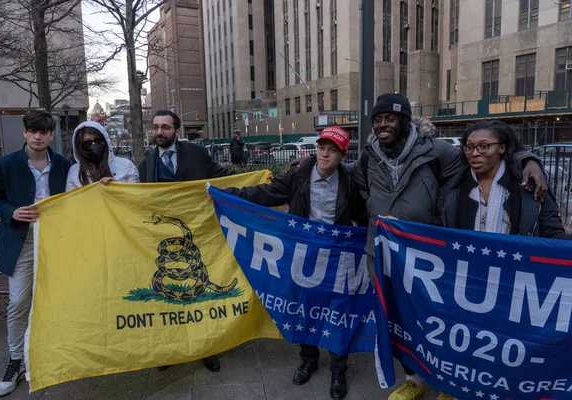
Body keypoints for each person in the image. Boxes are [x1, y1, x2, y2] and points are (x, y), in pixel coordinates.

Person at [345, 93, 547, 400]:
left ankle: (448, 382)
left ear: (405, 121)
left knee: (437, 320)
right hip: (383, 254)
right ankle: (412, 380)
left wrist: (529, 160)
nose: (382, 125)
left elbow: (482, 163)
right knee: (397, 319)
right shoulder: (368, 155)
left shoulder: (436, 151)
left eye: (390, 118)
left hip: (427, 256)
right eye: (377, 119)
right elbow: (355, 181)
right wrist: (309, 166)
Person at [222, 126, 367, 400]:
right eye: (322, 147)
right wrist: (227, 195)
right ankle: (308, 359)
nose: (325, 154)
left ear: (343, 155)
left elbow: (362, 215)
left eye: (332, 150)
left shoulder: (348, 181)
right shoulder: (298, 175)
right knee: (304, 308)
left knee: (338, 312)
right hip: (303, 255)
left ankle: (338, 370)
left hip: (337, 257)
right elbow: (266, 193)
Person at [138, 110, 236, 372]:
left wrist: (256, 177)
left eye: (165, 127)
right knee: (166, 301)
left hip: (198, 235)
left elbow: (221, 175)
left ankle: (207, 348)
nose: (159, 132)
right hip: (164, 240)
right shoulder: (145, 164)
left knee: (198, 294)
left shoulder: (197, 153)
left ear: (176, 131)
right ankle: (170, 351)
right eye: (156, 127)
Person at [0, 110, 71, 398]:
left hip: (57, 243)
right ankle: (15, 361)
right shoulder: (6, 164)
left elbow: (76, 194)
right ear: (24, 132)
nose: (37, 136)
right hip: (21, 242)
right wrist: (12, 211)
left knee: (60, 298)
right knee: (19, 301)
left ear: (51, 135)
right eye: (32, 131)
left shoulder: (62, 164)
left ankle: (56, 351)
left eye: (43, 132)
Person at [443, 120, 572, 240]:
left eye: (484, 146)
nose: (474, 153)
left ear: (502, 148)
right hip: (464, 263)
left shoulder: (529, 184)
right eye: (469, 147)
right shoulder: (454, 187)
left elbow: (552, 234)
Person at [65, 121, 139, 190]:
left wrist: (117, 187)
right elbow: (71, 201)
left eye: (97, 140)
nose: (93, 145)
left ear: (105, 141)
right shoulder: (75, 171)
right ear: (80, 146)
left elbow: (135, 199)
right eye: (87, 143)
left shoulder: (126, 166)